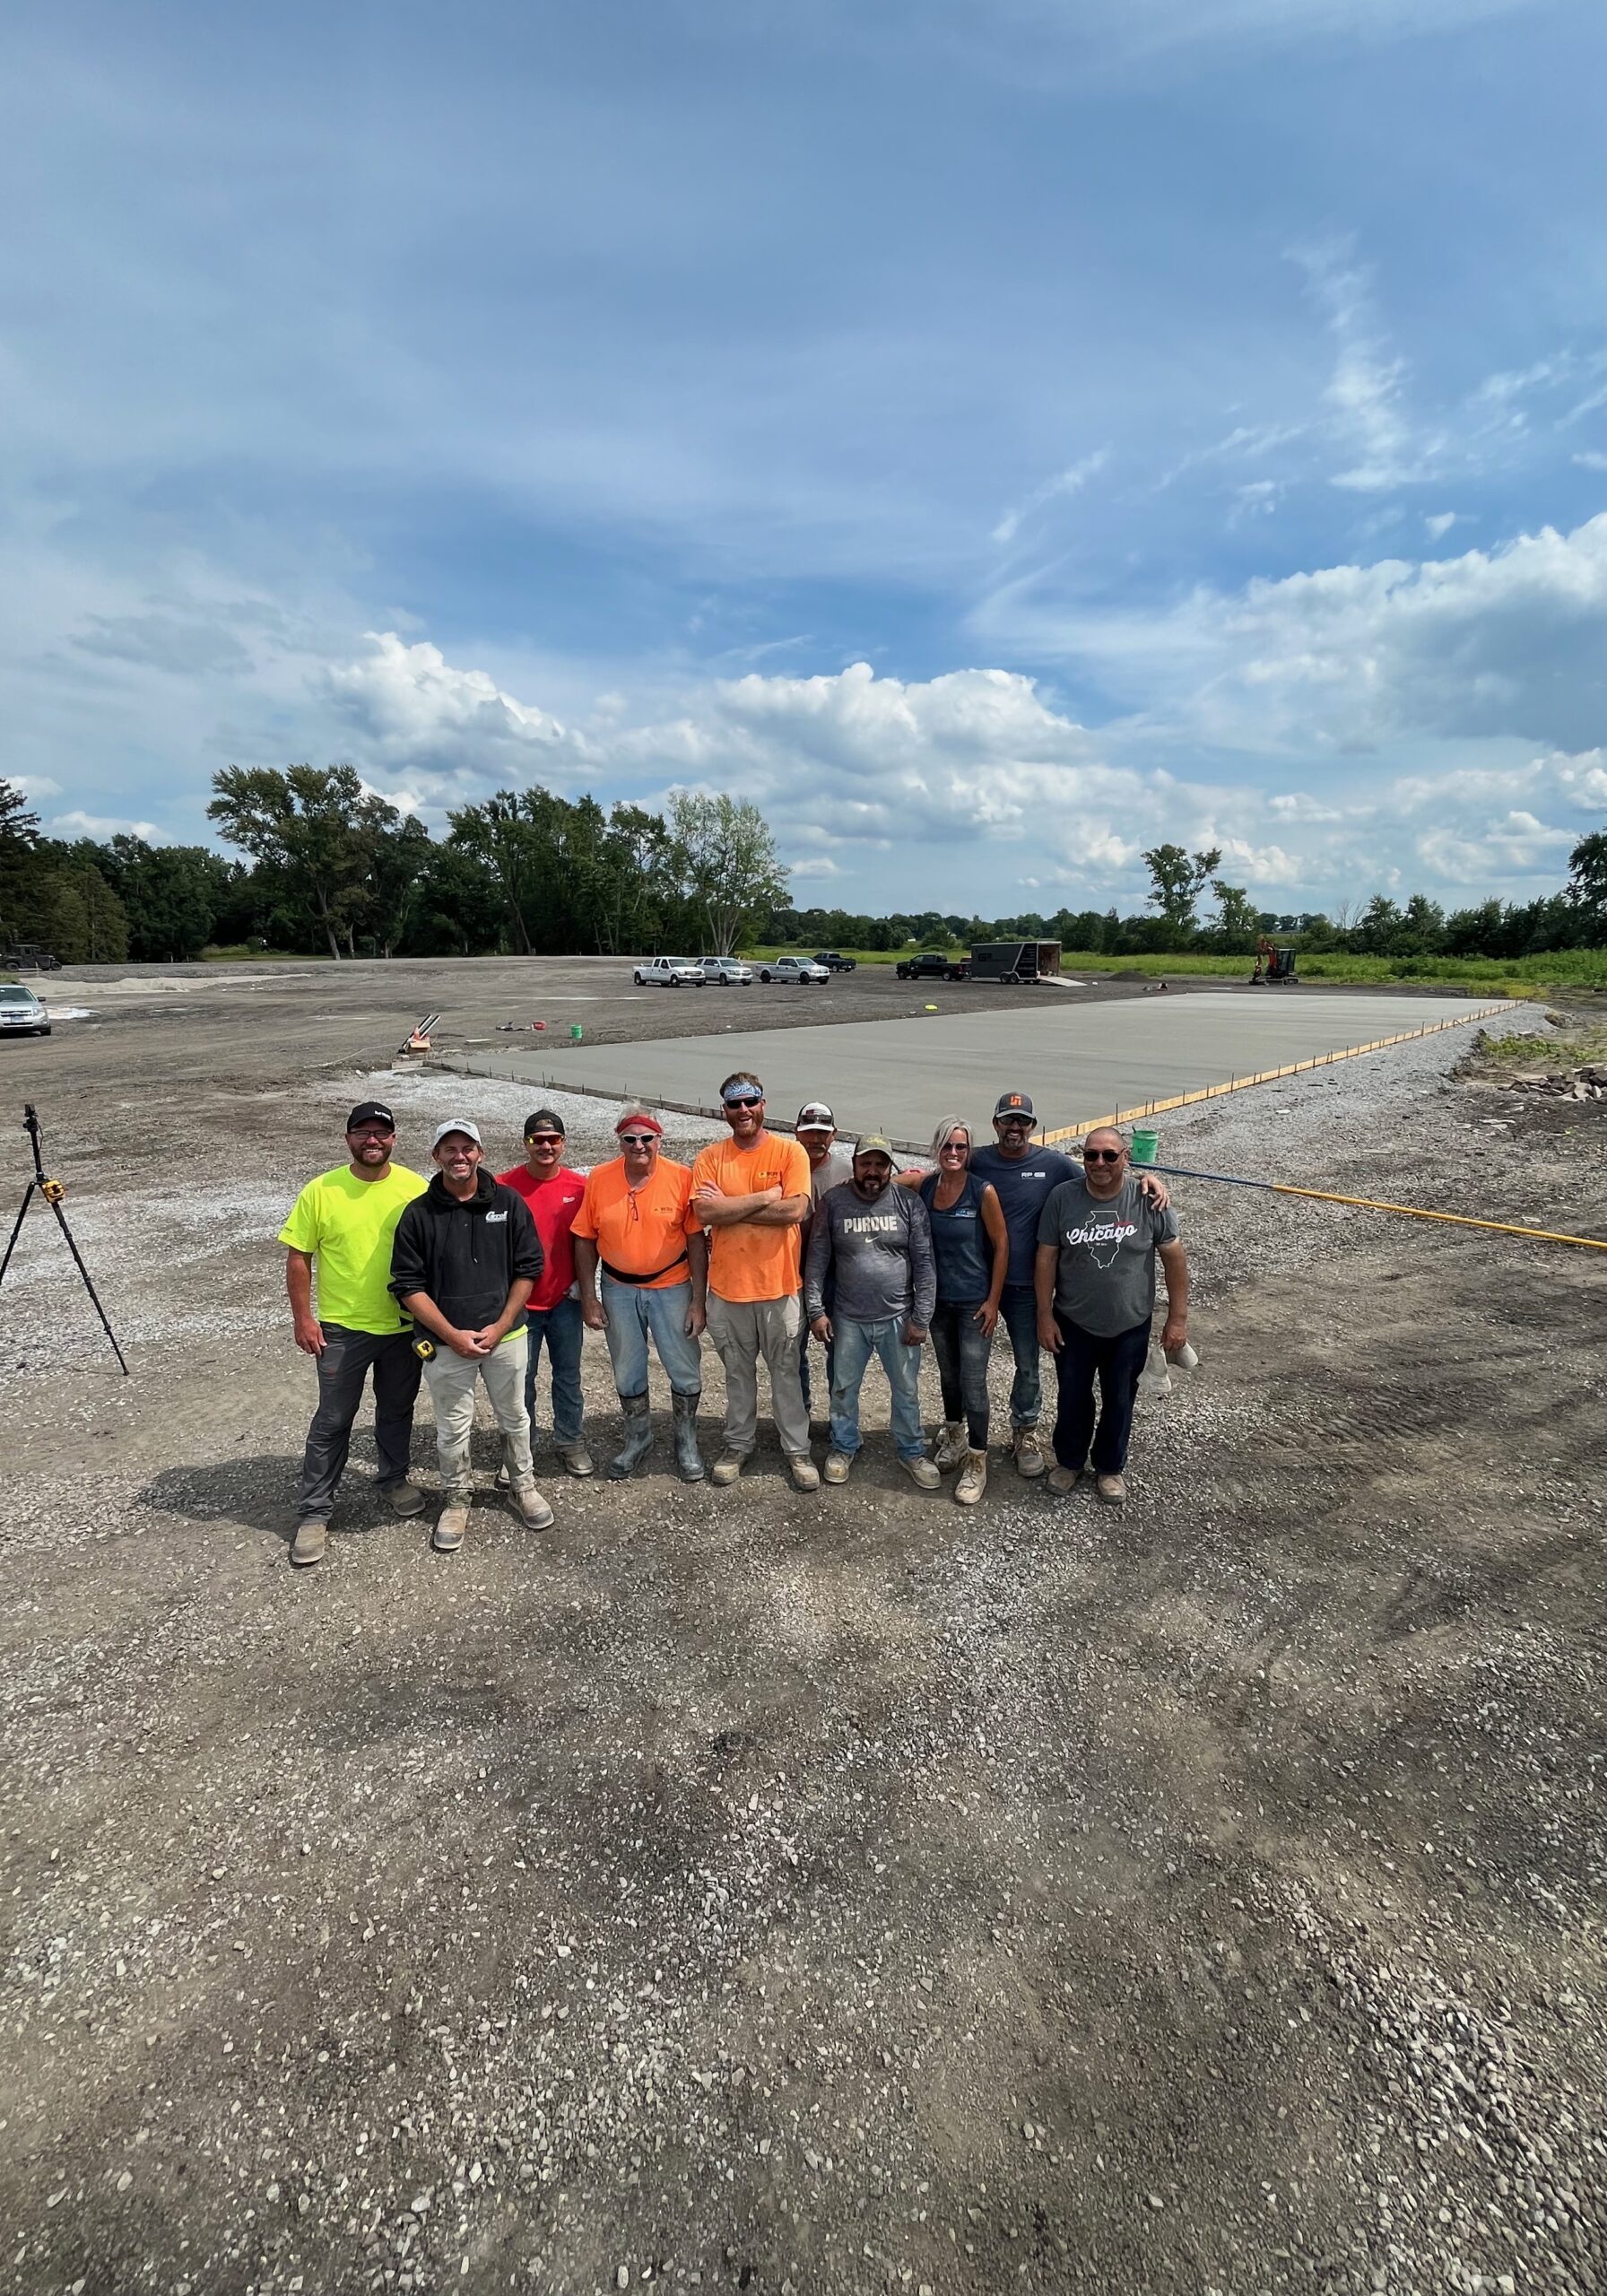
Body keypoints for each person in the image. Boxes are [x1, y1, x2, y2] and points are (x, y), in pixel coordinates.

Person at [970, 1091, 1168, 1480]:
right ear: (995, 1124)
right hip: (982, 1285)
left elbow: (1104, 1180)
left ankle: (1024, 1432)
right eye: (1007, 1120)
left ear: (1033, 1126)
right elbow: (942, 1175)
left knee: (1028, 1366)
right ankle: (966, 1435)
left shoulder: (1054, 1164)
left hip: (1028, 1288)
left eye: (1022, 1121)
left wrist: (1148, 1178)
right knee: (971, 1368)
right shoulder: (977, 1161)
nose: (1015, 1128)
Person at [389, 1119, 553, 1554]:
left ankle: (523, 1485)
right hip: (446, 1343)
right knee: (453, 1426)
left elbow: (528, 1269)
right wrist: (451, 1335)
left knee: (515, 1416)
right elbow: (407, 1286)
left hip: (507, 1336)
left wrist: (501, 1326)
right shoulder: (419, 1214)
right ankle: (456, 1499)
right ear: (435, 1157)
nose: (459, 1156)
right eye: (449, 1149)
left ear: (480, 1153)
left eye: (467, 1148)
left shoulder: (509, 1202)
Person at [279, 1099, 429, 1570]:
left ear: (393, 1139)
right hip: (342, 1328)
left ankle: (394, 1478)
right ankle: (315, 1512)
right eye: (362, 1133)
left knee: (397, 1408)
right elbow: (298, 1256)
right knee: (334, 1418)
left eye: (380, 1133)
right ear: (348, 1139)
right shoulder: (321, 1191)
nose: (372, 1141)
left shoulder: (415, 1187)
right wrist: (304, 1318)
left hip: (402, 1325)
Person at [1033, 1127, 1189, 1504]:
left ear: (1126, 1158)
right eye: (1091, 1156)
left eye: (1109, 1155)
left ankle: (1110, 1467)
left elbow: (1174, 1258)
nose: (1099, 1163)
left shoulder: (1148, 1200)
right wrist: (1044, 1315)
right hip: (1073, 1320)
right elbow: (1046, 1257)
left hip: (1130, 1324)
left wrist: (1177, 1318)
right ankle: (1069, 1461)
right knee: (1073, 1397)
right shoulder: (1062, 1199)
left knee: (1120, 1398)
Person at [691, 1074, 820, 1492]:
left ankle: (797, 1450)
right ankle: (737, 1444)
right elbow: (705, 1215)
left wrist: (729, 1207)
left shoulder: (790, 1151)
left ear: (763, 1104)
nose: (743, 1111)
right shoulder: (711, 1157)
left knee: (786, 1373)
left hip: (780, 1289)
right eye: (734, 1104)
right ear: (724, 1110)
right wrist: (766, 1197)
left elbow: (795, 1211)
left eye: (750, 1102)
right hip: (727, 1291)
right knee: (737, 1375)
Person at [571, 1110, 708, 1482]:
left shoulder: (681, 1178)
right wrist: (589, 1295)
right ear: (620, 1141)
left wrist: (699, 1299)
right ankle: (638, 1437)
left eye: (647, 1138)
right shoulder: (600, 1178)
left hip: (672, 1285)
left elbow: (696, 1240)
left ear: (659, 1140)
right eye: (630, 1139)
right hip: (618, 1288)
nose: (639, 1146)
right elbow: (584, 1238)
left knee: (683, 1364)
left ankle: (686, 1439)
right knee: (627, 1366)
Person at [805, 1133, 939, 1490]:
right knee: (843, 1387)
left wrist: (921, 1317)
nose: (873, 1171)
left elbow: (925, 1264)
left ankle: (911, 1450)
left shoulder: (908, 1204)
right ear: (855, 1165)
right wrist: (816, 1311)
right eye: (866, 1163)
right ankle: (844, 1445)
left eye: (881, 1164)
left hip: (899, 1316)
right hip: (848, 1317)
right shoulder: (834, 1202)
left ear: (889, 1168)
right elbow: (817, 1260)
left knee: (906, 1389)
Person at [494, 1108, 593, 1481]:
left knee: (568, 1377)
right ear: (526, 1143)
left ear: (563, 1144)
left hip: (564, 1302)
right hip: (521, 1306)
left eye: (553, 1140)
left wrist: (585, 1289)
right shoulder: (503, 1187)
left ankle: (571, 1441)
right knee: (522, 1379)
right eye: (538, 1140)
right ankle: (521, 1449)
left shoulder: (579, 1188)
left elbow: (590, 1241)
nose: (546, 1146)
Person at [916, 1117, 1009, 1506]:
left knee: (974, 1383)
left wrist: (993, 1300)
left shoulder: (981, 1191)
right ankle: (953, 1433)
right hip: (938, 1301)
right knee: (948, 1375)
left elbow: (1002, 1244)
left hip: (973, 1303)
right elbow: (899, 1182)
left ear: (969, 1152)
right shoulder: (927, 1187)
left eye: (961, 1147)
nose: (953, 1153)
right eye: (947, 1146)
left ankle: (977, 1457)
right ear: (936, 1148)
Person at [795, 1100, 853, 1425]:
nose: (815, 1140)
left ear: (834, 1135)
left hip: (837, 1278)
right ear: (796, 1133)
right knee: (792, 1355)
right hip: (790, 1274)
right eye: (808, 1133)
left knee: (840, 1354)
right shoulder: (784, 1166)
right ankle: (799, 1419)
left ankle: (840, 1422)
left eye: (822, 1133)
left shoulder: (846, 1171)